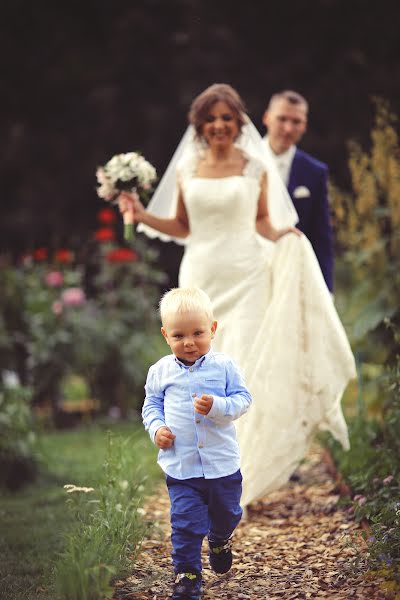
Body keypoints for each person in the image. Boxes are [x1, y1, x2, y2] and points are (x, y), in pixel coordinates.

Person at [119, 83, 356, 510]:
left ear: (239, 122)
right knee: (198, 374)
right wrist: (140, 214)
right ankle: (199, 470)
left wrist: (285, 236)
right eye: (211, 118)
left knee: (241, 368)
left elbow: (263, 221)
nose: (220, 125)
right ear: (200, 125)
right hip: (201, 276)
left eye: (227, 117)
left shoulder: (253, 166)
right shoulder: (188, 168)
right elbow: (181, 226)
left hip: (247, 276)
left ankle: (238, 479)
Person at [142, 286, 252, 600]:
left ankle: (220, 539)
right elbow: (152, 405)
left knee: (227, 513)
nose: (189, 342)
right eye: (179, 336)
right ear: (166, 335)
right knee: (186, 523)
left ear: (212, 329)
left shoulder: (225, 367)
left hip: (221, 466)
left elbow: (243, 399)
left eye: (197, 333)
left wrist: (218, 406)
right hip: (182, 466)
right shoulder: (160, 371)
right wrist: (157, 428)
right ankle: (187, 576)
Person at [262, 90, 334, 291]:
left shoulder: (315, 172)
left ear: (304, 125)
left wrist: (326, 289)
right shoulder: (243, 161)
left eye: (296, 121)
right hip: (250, 269)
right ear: (267, 118)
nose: (288, 128)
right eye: (282, 119)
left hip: (293, 274)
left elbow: (321, 236)